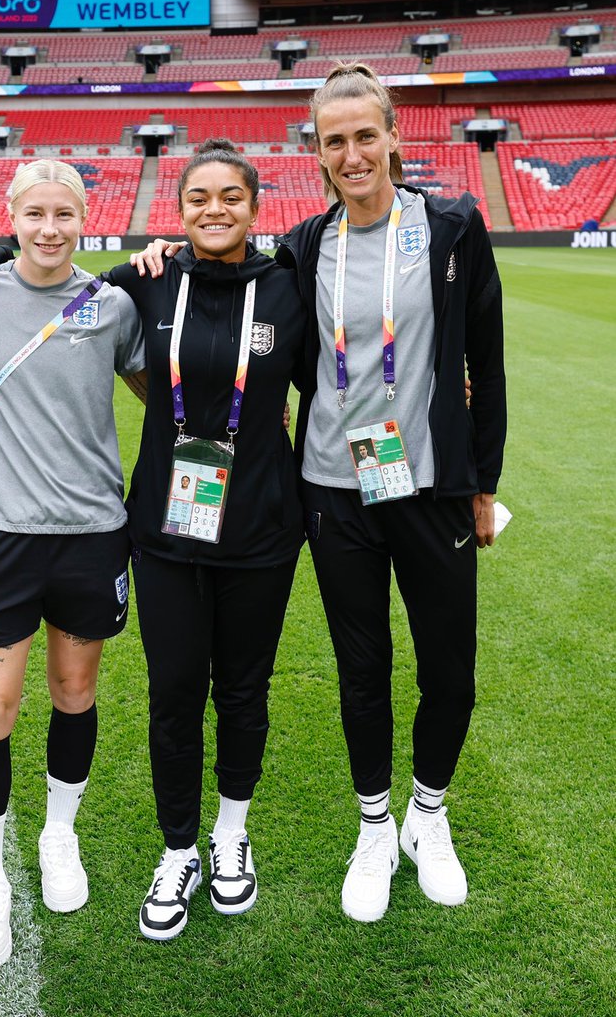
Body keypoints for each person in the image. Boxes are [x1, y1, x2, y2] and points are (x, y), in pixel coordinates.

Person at [0, 142, 304, 945]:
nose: (49, 226)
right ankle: (33, 871)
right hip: (50, 533)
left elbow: (175, 376)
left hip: (139, 531)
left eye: (231, 196)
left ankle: (137, 836)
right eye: (199, 197)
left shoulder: (128, 299)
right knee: (49, 703)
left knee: (159, 692)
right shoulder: (0, 293)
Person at [275, 63, 506, 922]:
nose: (352, 154)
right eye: (334, 140)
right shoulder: (304, 245)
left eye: (365, 135)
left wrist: (484, 484)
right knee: (362, 668)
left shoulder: (452, 227)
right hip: (334, 491)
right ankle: (375, 826)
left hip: (431, 488)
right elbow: (219, 287)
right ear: (318, 151)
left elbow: (487, 360)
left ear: (393, 136)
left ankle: (427, 814)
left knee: (451, 671)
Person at [0, 159, 145, 970]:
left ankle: (60, 834)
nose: (50, 228)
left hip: (92, 534)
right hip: (0, 537)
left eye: (65, 214)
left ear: (85, 217)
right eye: (35, 214)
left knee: (74, 694)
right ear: (12, 217)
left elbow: (157, 387)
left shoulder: (112, 304)